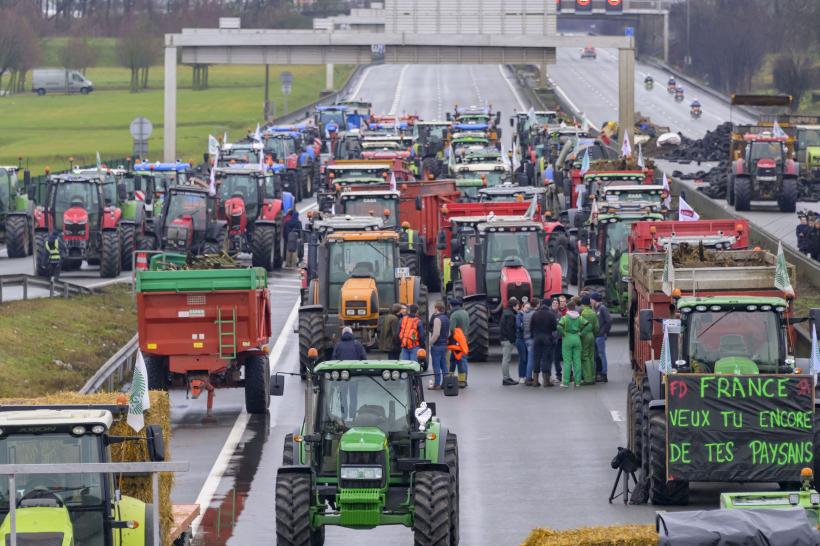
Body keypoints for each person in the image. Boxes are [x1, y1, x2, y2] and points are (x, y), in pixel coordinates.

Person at [557, 301, 590, 388]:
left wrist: (563, 333)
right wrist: (582, 333)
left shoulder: (565, 318)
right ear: (574, 307)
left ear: (567, 308)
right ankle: (578, 381)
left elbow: (559, 326)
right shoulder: (579, 317)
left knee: (567, 361)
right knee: (577, 360)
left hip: (567, 338)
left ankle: (566, 382)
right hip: (577, 338)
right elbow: (589, 325)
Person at [531, 299, 558, 387]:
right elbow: (554, 328)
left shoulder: (535, 314)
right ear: (549, 305)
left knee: (536, 358)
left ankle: (535, 380)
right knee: (546, 359)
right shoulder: (551, 315)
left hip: (537, 338)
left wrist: (534, 336)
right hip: (547, 338)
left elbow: (531, 327)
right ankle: (546, 381)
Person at [448, 298, 470, 387]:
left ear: (451, 305)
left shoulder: (454, 315)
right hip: (464, 339)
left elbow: (452, 328)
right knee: (455, 359)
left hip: (457, 342)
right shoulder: (465, 313)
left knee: (459, 360)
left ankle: (461, 381)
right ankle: (462, 378)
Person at [429, 301, 451, 390]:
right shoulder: (446, 318)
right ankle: (445, 383)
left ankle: (436, 384)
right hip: (444, 345)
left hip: (437, 346)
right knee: (444, 365)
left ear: (436, 308)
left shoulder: (437, 319)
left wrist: (431, 342)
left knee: (436, 365)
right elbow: (448, 333)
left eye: (434, 308)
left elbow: (436, 333)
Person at [591, 292, 612, 383]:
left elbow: (609, 321)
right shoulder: (595, 309)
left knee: (601, 354)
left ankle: (604, 374)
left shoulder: (602, 308)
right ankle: (598, 373)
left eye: (591, 300)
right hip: (595, 336)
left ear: (595, 300)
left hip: (600, 336)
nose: (590, 301)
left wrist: (604, 332)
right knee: (596, 355)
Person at [579, 295, 599, 385]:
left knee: (585, 356)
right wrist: (594, 334)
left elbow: (580, 325)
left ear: (583, 303)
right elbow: (597, 327)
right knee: (591, 356)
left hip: (585, 336)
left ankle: (587, 378)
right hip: (591, 335)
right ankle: (593, 376)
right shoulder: (593, 313)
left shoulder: (582, 313)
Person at [499, 298, 519, 386]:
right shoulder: (511, 315)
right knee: (506, 359)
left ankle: (507, 377)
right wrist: (513, 340)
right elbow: (509, 329)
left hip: (503, 338)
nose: (519, 307)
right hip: (507, 340)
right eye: (518, 305)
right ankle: (506, 378)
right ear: (514, 306)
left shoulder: (505, 312)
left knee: (506, 359)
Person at [522, 298, 537, 385]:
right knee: (531, 359)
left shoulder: (524, 314)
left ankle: (528, 377)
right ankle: (528, 378)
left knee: (529, 359)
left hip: (526, 337)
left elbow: (523, 327)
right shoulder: (534, 314)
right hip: (532, 338)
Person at [550, 298, 564, 382]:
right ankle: (549, 375)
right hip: (549, 339)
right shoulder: (548, 313)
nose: (555, 304)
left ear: (558, 305)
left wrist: (558, 336)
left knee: (557, 358)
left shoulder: (559, 314)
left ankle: (558, 375)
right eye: (553, 303)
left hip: (557, 340)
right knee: (548, 358)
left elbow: (560, 327)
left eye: (556, 303)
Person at [515, 301, 530, 383]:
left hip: (527, 339)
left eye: (529, 308)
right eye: (526, 308)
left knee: (528, 358)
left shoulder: (529, 315)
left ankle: (527, 376)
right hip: (520, 339)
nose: (528, 309)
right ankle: (521, 376)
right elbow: (519, 325)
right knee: (523, 358)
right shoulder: (519, 315)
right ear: (523, 307)